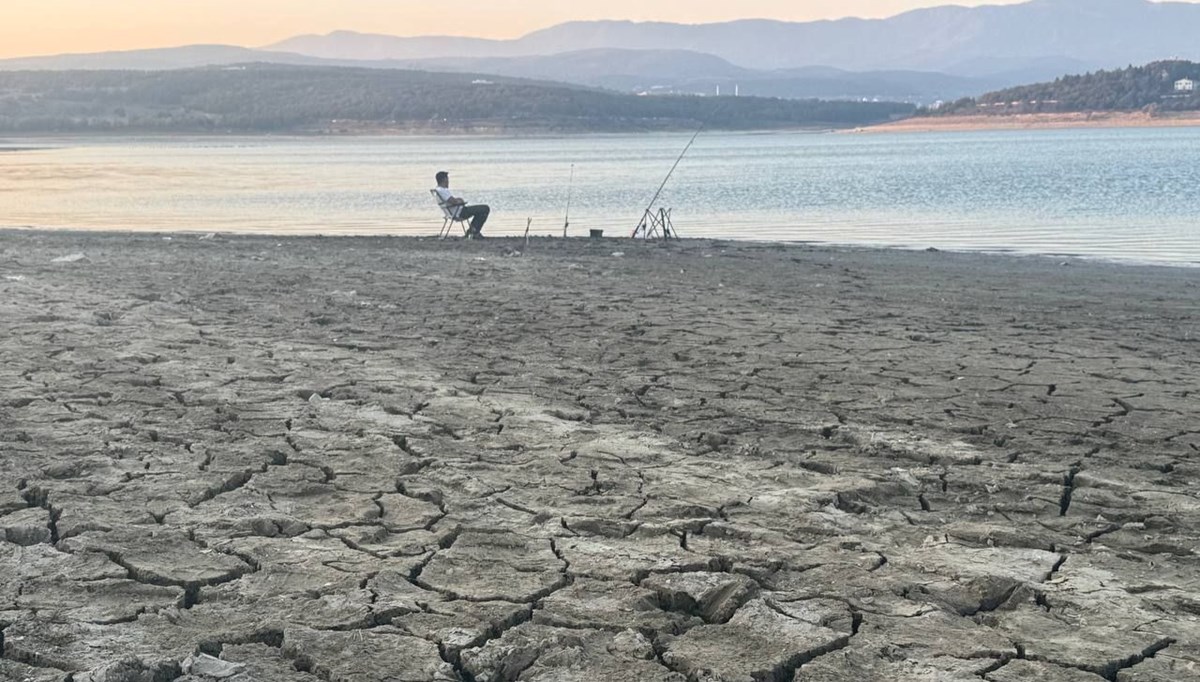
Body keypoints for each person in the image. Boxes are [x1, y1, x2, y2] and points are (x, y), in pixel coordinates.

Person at [434, 171, 490, 238]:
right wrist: (460, 201)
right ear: (444, 179)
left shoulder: (439, 190)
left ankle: (473, 231)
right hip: (460, 212)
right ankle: (473, 232)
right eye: (447, 179)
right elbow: (453, 201)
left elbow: (451, 200)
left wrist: (458, 200)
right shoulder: (442, 190)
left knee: (481, 211)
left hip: (455, 211)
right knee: (485, 208)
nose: (448, 181)